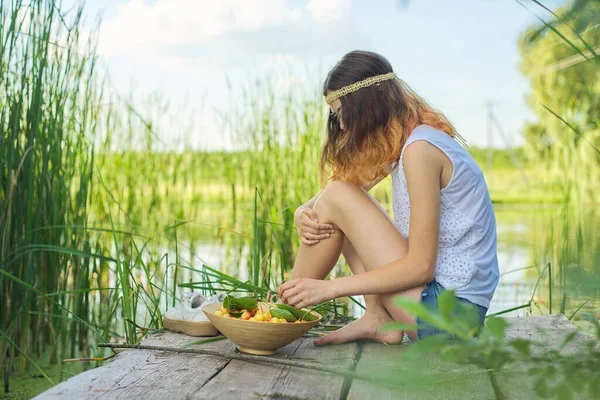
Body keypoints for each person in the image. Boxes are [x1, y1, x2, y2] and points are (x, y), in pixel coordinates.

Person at [277, 50, 499, 344]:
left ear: (367, 105)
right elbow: (341, 193)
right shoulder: (410, 142)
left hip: (445, 320)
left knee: (339, 197)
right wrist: (301, 212)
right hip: (453, 316)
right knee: (340, 195)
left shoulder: (420, 152)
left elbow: (421, 266)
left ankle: (279, 317)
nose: (341, 126)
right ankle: (377, 318)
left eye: (342, 113)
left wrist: (331, 288)